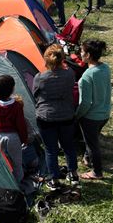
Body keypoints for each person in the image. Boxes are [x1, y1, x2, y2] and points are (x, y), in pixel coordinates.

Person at [33, 44, 78, 188]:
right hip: (66, 115)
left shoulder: (40, 78)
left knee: (50, 150)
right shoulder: (70, 73)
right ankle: (73, 174)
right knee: (69, 146)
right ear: (62, 59)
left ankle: (54, 179)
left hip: (46, 117)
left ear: (46, 60)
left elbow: (35, 94)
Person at [76, 40, 112, 180]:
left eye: (82, 52)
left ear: (88, 55)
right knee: (92, 138)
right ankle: (87, 158)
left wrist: (77, 116)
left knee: (92, 145)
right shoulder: (105, 68)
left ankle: (96, 172)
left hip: (91, 117)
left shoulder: (86, 76)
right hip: (105, 113)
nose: (80, 53)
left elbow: (85, 103)